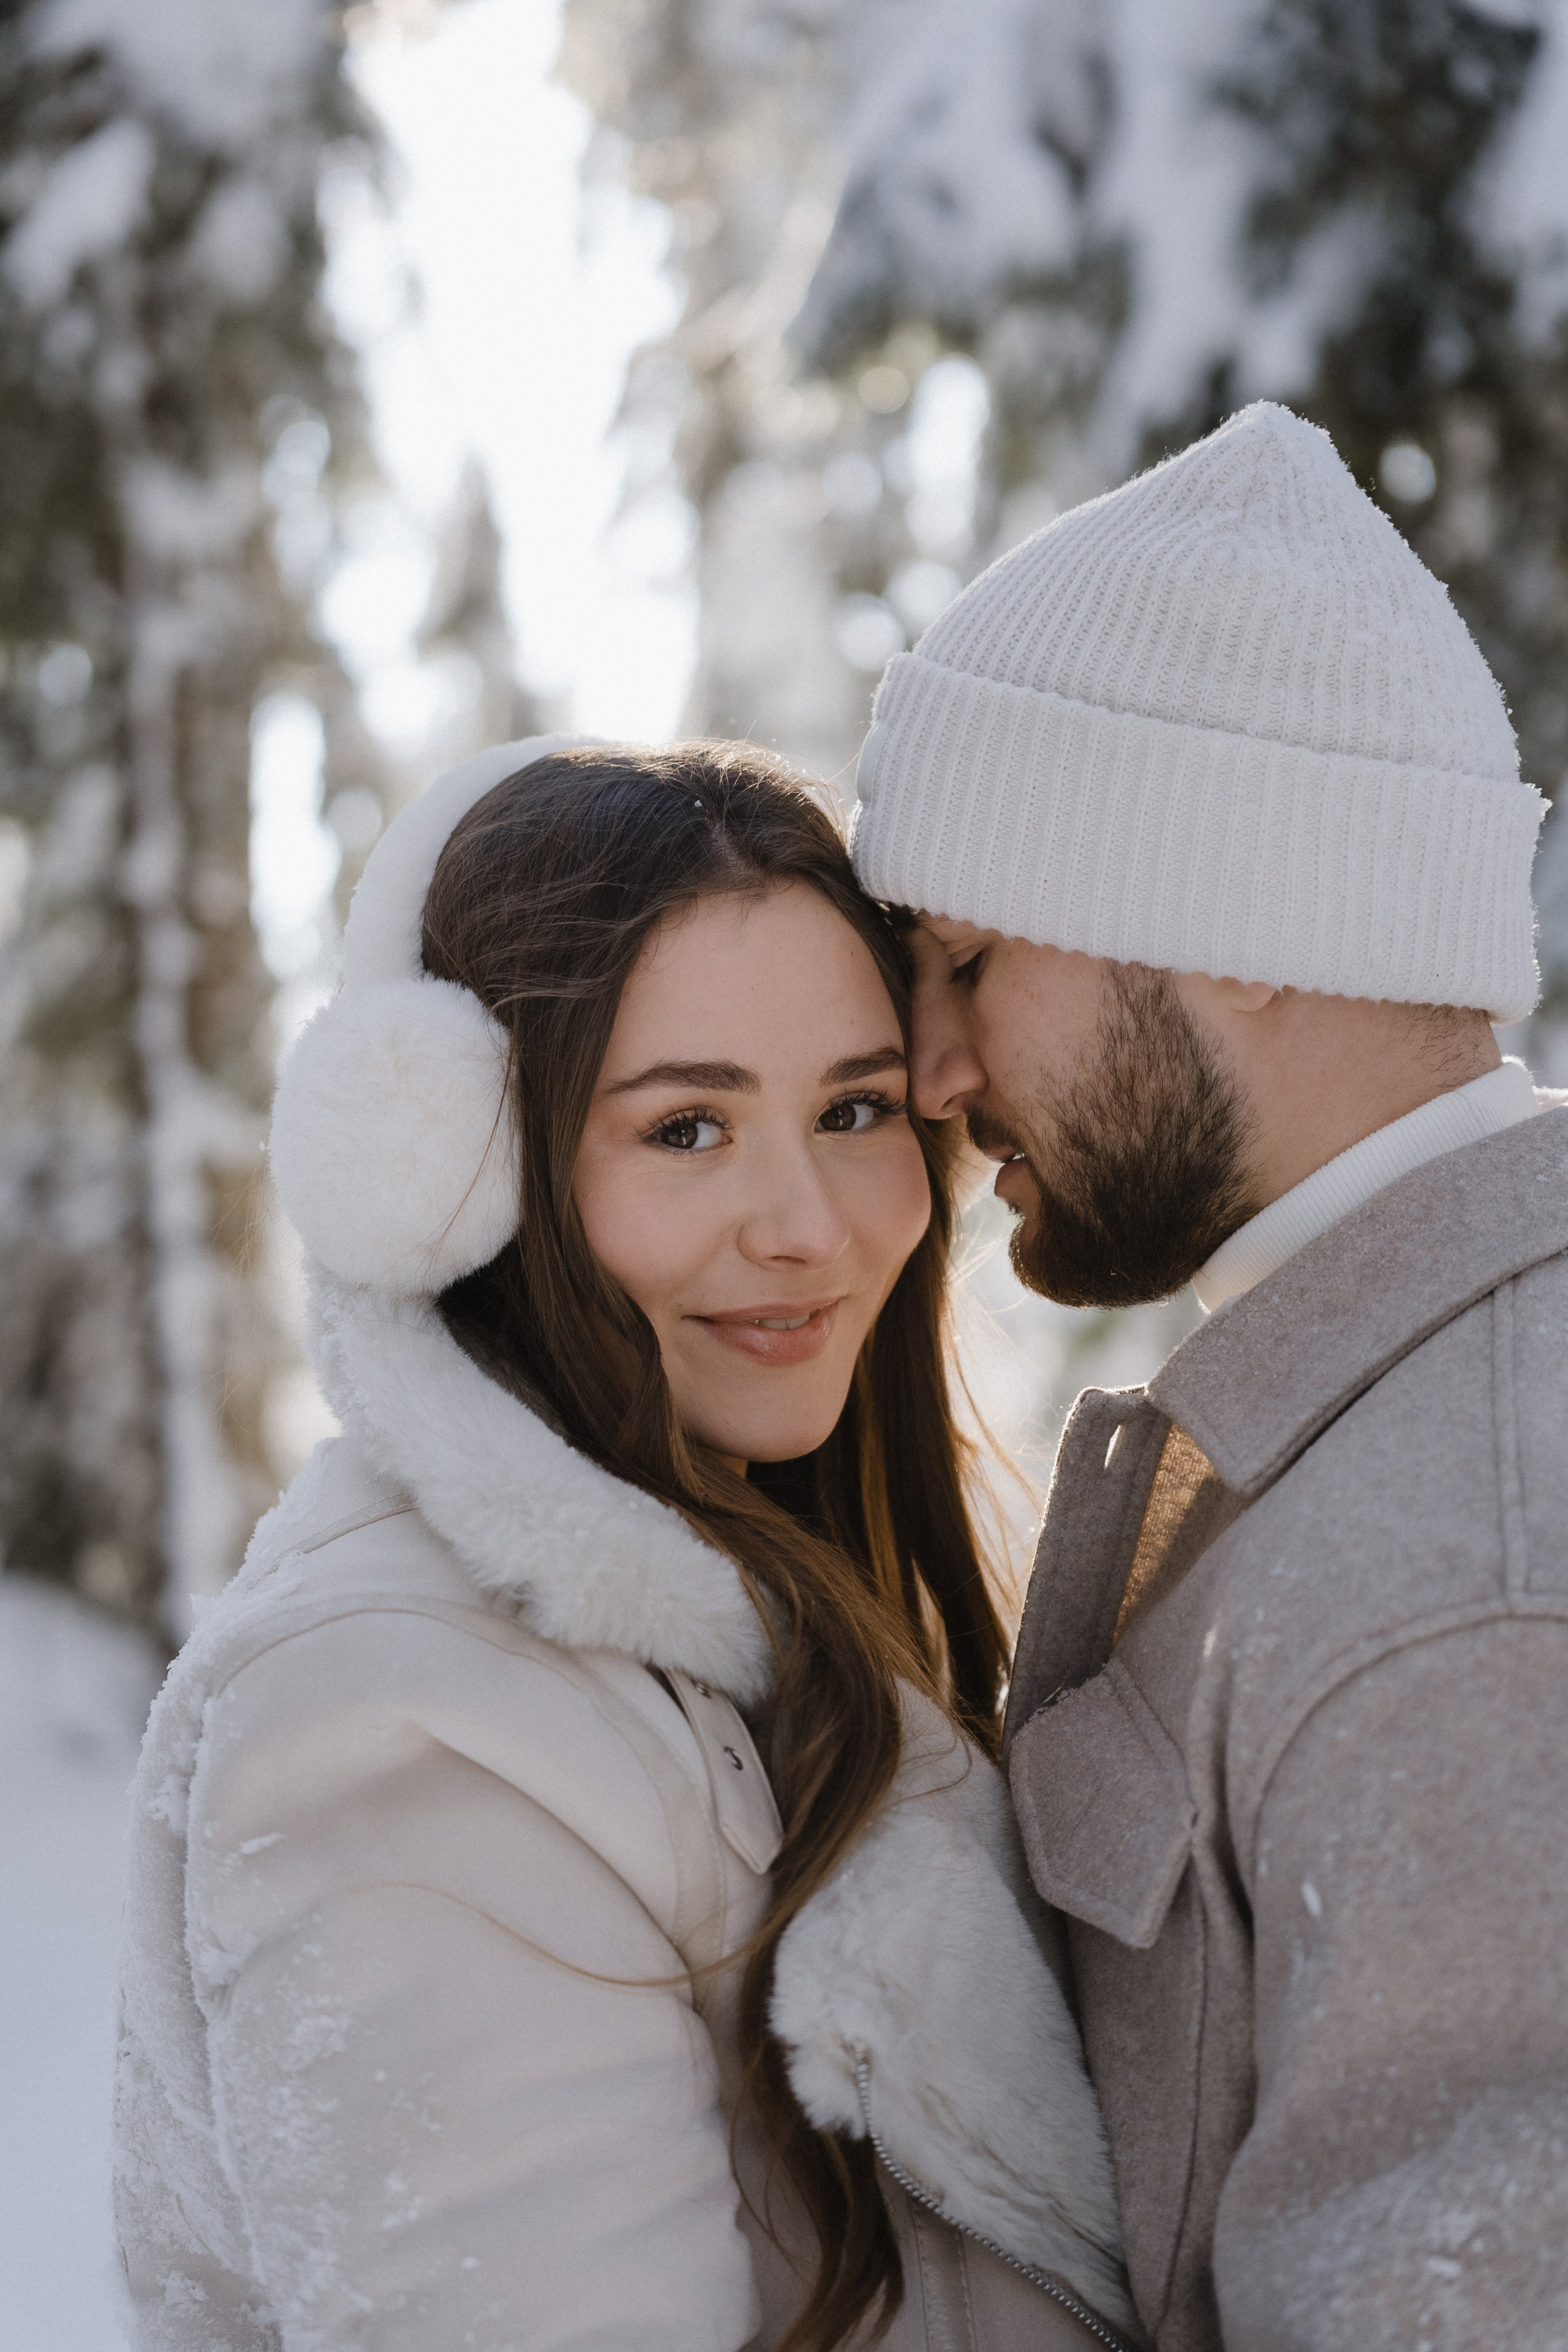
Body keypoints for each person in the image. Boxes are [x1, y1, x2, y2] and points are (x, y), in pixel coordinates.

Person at [112, 737, 1138, 2352]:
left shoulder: (776, 1610)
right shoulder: (401, 1717)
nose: (809, 1220)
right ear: (467, 1173)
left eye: (855, 1107)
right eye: (685, 1130)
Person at [851, 401, 1568, 2350]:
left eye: (971, 954)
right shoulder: (1368, 1431)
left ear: (1241, 916)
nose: (924, 1071)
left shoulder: (1475, 1578)